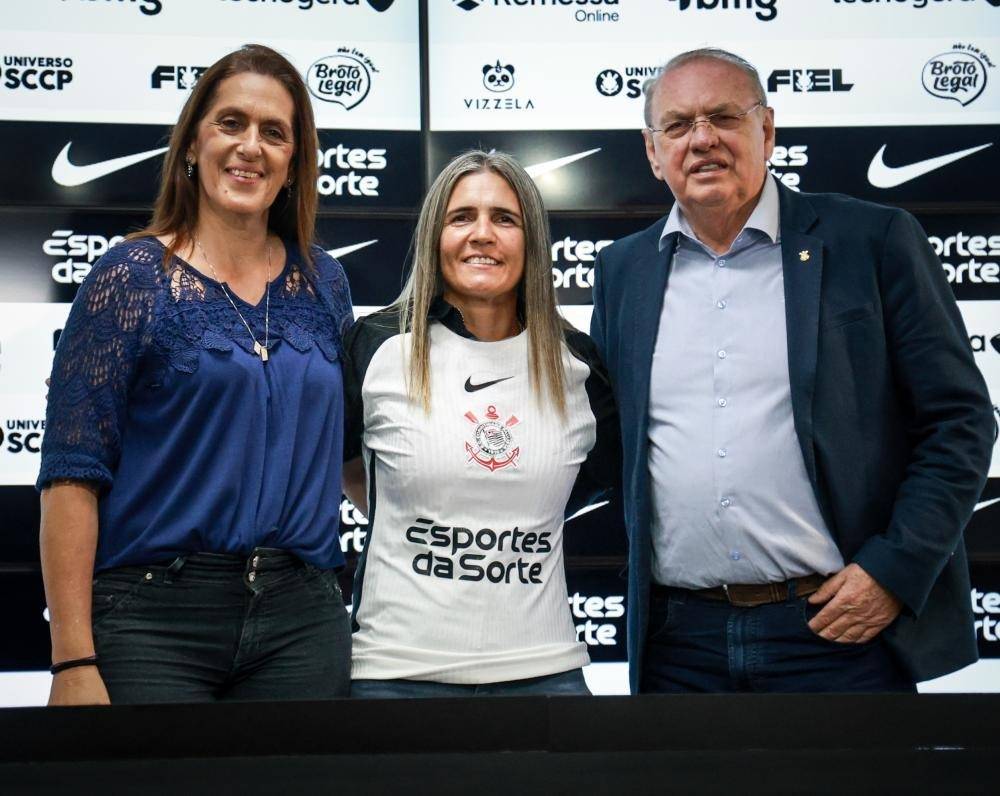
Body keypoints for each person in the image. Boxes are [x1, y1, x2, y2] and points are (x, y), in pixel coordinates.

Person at [590, 48, 995, 694]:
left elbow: (961, 423)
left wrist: (894, 569)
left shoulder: (874, 241)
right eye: (678, 125)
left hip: (837, 634)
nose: (702, 140)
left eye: (723, 116)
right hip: (678, 646)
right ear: (651, 150)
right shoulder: (622, 271)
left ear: (768, 130)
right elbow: (604, 442)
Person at [37, 44, 354, 705]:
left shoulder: (326, 281)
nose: (250, 147)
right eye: (230, 123)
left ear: (293, 163)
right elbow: (71, 474)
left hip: (303, 620)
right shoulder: (128, 278)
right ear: (191, 145)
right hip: (154, 623)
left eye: (274, 133)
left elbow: (350, 455)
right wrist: (72, 661)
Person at [342, 150, 618, 698]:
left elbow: (592, 480)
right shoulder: (376, 344)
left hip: (544, 669)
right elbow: (351, 468)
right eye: (461, 217)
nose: (482, 234)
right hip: (395, 671)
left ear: (532, 240)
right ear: (433, 235)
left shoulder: (578, 363)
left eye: (505, 219)